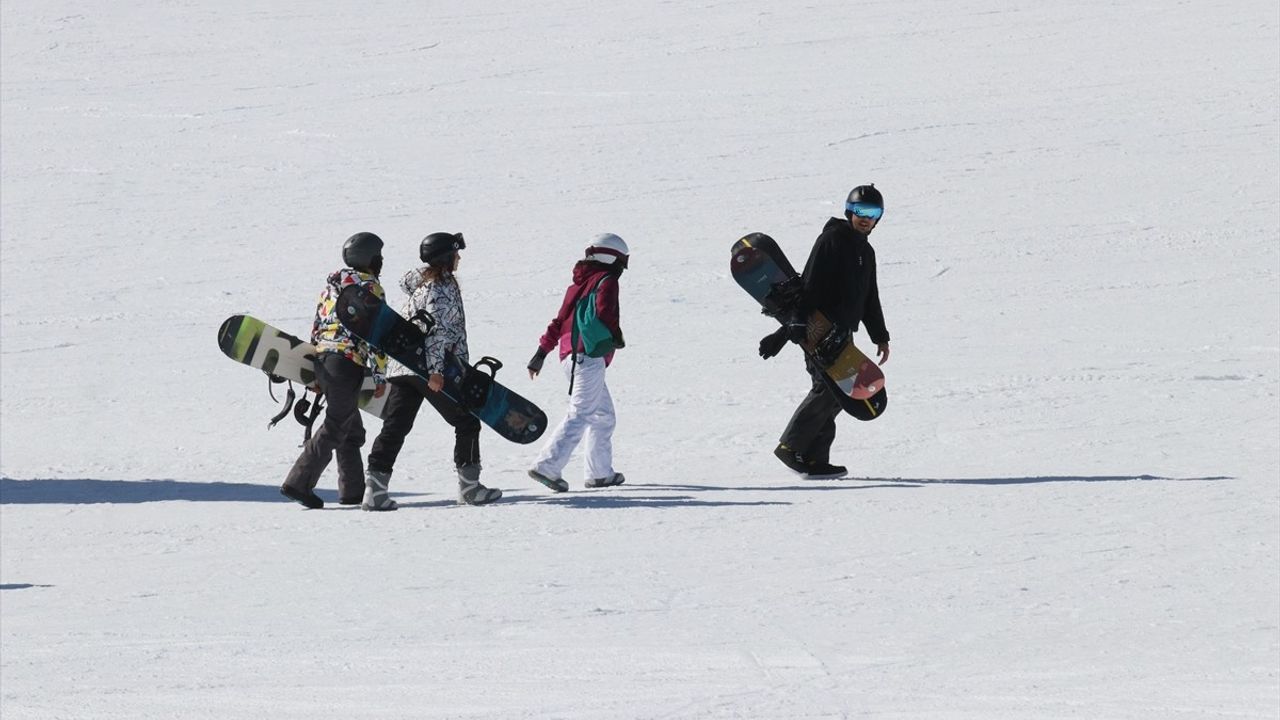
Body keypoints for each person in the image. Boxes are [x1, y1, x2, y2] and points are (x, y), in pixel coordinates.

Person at [758, 185, 891, 478]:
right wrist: (797, 322)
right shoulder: (832, 240)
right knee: (827, 390)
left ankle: (814, 458)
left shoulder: (865, 251)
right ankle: (791, 448)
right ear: (849, 211)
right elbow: (810, 283)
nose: (865, 218)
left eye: (872, 213)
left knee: (839, 394)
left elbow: (870, 296)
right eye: (859, 212)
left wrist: (880, 335)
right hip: (818, 328)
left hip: (842, 334)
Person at [363, 232, 503, 509]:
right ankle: (471, 488)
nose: (459, 258)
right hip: (428, 368)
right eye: (455, 253)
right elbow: (436, 332)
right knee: (467, 421)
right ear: (446, 258)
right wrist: (436, 372)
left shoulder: (421, 286)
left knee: (396, 425)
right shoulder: (441, 287)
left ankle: (375, 491)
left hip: (403, 367)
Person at [281, 232, 389, 509]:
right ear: (369, 258)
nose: (382, 260)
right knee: (336, 425)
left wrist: (315, 371)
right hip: (347, 363)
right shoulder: (370, 287)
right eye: (379, 256)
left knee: (350, 429)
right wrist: (379, 375)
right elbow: (377, 334)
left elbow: (317, 327)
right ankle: (298, 483)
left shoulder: (330, 287)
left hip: (323, 360)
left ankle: (352, 491)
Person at [526, 233, 629, 492]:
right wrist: (616, 336)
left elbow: (559, 321)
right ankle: (547, 466)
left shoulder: (578, 285)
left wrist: (541, 353)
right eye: (622, 261)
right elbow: (605, 311)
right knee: (581, 413)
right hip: (589, 357)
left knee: (603, 415)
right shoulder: (607, 280)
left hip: (569, 356)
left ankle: (600, 472)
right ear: (612, 258)